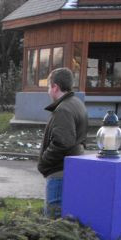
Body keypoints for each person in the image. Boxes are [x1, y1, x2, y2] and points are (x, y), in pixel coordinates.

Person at [38, 67, 88, 218]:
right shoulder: (77, 103)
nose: (48, 91)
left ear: (55, 87)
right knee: (64, 219)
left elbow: (62, 142)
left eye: (48, 86)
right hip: (70, 169)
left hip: (59, 172)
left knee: (54, 220)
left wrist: (44, 162)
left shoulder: (63, 109)